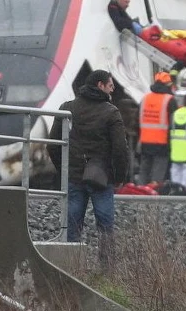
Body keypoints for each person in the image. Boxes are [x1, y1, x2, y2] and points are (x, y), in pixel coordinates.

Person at [48, 70, 130, 261]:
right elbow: (120, 148)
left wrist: (65, 169)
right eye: (110, 85)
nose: (113, 89)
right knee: (105, 225)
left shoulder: (67, 108)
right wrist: (119, 176)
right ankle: (106, 268)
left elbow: (52, 144)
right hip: (102, 178)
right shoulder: (111, 112)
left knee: (72, 225)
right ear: (100, 85)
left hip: (74, 177)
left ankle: (71, 266)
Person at [136, 73, 177, 185]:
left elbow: (137, 120)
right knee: (157, 175)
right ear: (168, 84)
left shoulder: (145, 99)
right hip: (162, 143)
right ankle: (154, 199)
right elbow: (174, 124)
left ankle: (138, 196)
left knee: (143, 172)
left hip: (145, 142)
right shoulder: (170, 100)